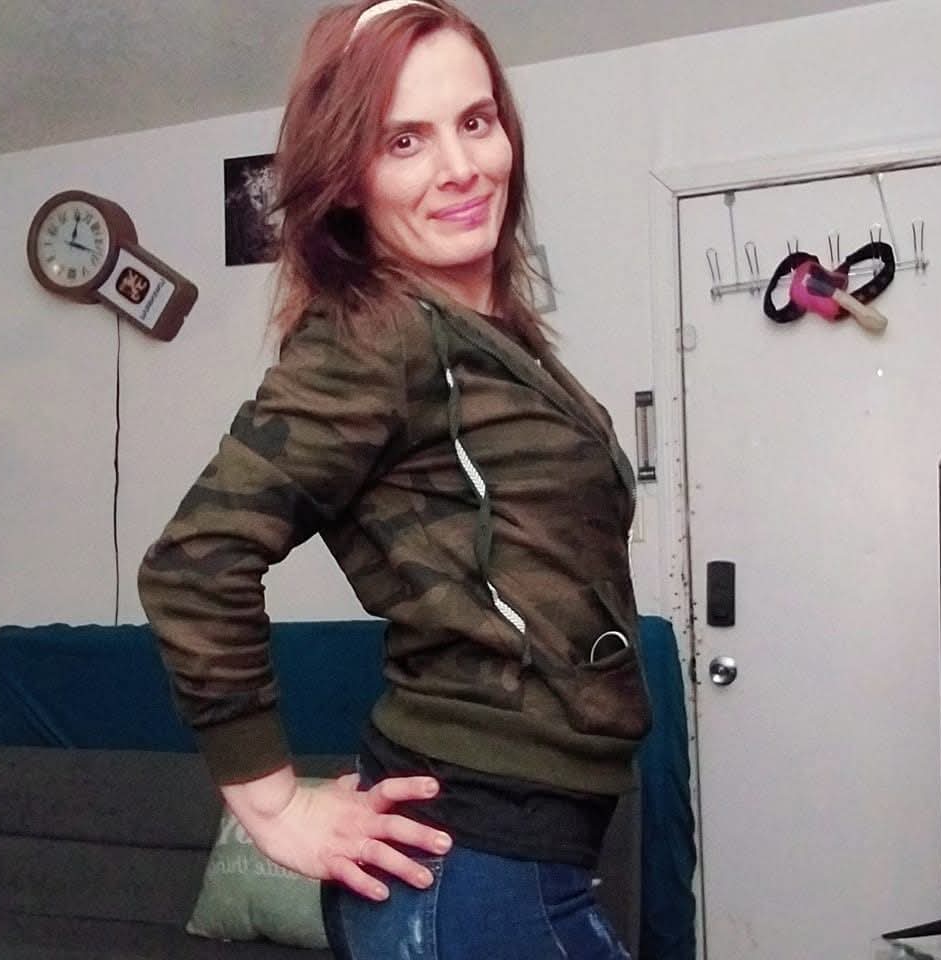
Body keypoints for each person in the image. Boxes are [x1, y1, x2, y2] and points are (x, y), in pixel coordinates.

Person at [137, 2, 650, 957]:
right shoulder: (376, 339)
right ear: (348, 179)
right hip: (469, 864)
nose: (460, 167)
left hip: (524, 857)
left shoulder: (484, 336)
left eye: (475, 121)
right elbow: (194, 565)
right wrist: (273, 804)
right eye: (403, 140)